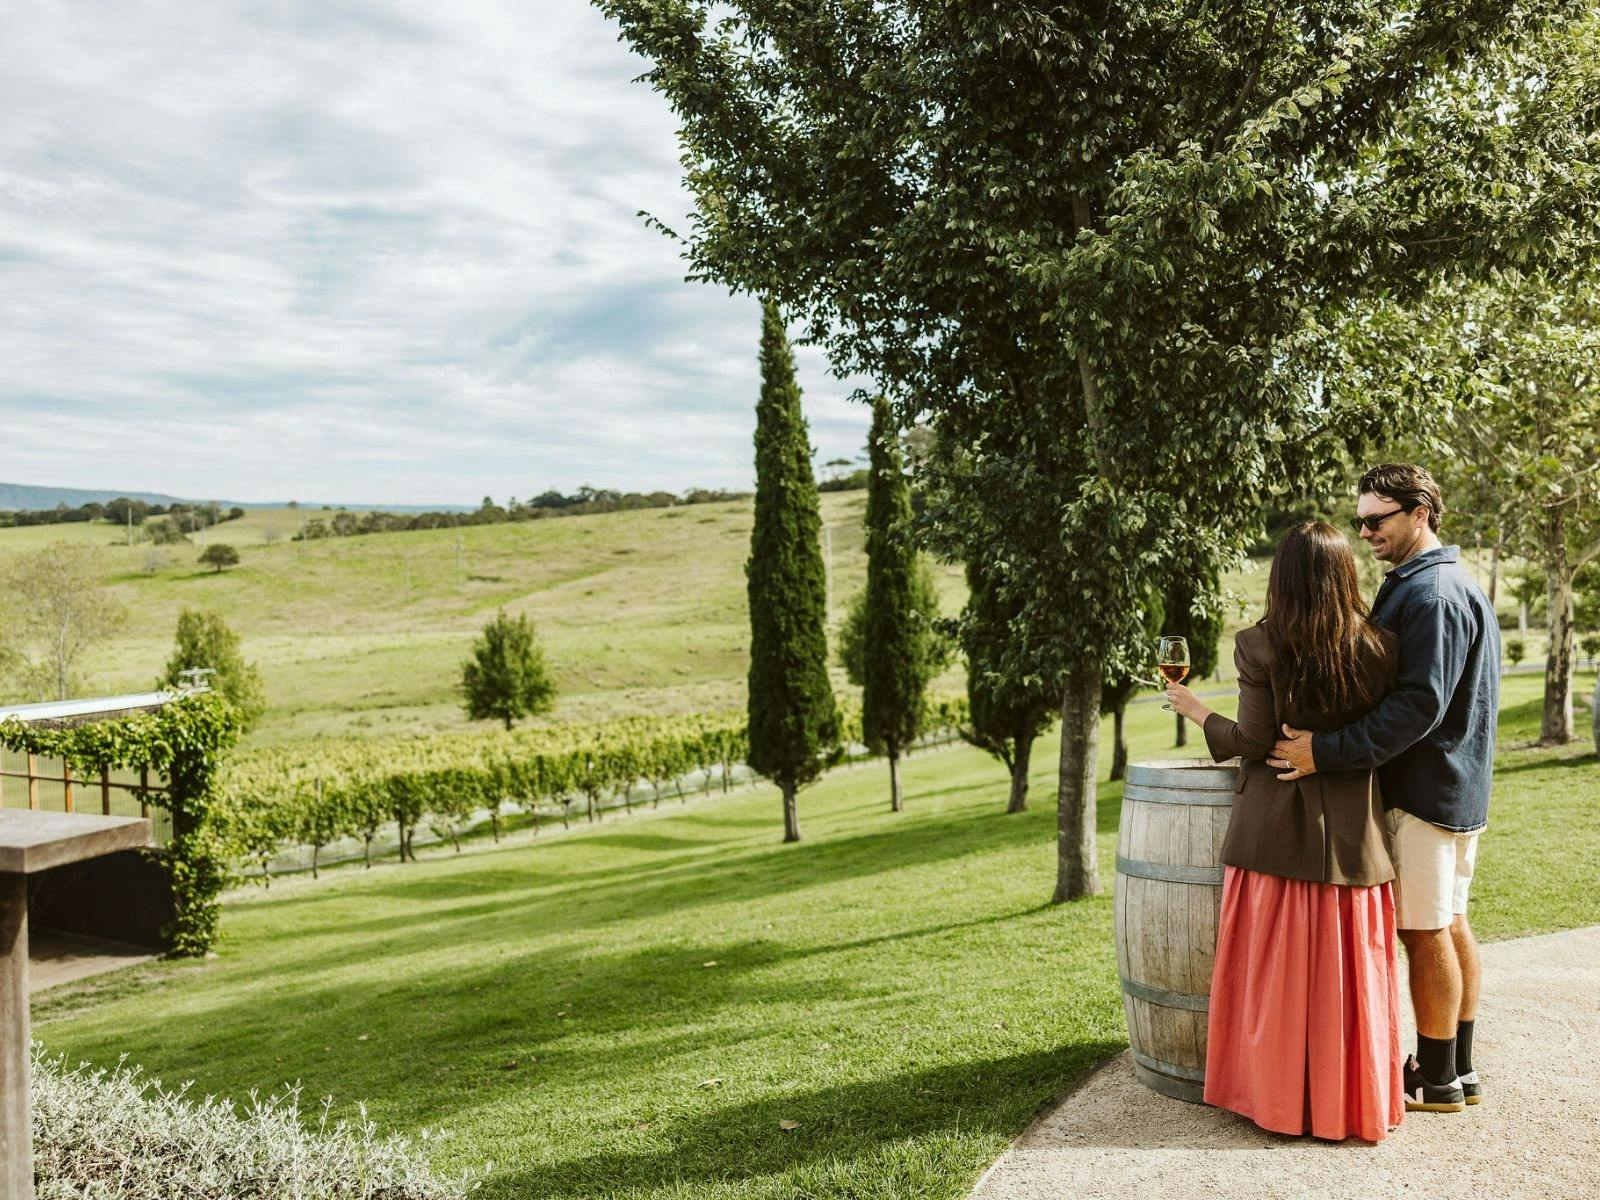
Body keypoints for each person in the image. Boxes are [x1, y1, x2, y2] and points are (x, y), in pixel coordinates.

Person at [1268, 464, 1499, 1115]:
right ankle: (1459, 1068)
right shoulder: (1438, 584)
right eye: (1360, 519)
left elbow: (1416, 707)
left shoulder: (1432, 597)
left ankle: (1435, 1080)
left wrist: (1325, 751)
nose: (1364, 531)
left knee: (1423, 933)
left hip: (1427, 792)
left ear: (1419, 512)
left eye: (1377, 519)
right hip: (1453, 788)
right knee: (1449, 924)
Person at [1165, 519, 1403, 1142]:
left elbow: (1253, 742)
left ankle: (1274, 1099)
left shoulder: (1259, 644)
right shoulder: (1379, 646)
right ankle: (1348, 1103)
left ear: (1281, 577)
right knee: (1348, 978)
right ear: (1344, 573)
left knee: (1275, 980)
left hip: (1273, 833)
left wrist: (1196, 710)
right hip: (1354, 840)